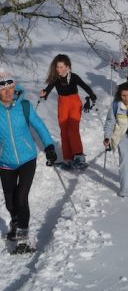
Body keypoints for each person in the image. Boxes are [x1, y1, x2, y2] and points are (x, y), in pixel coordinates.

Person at [0, 69, 57, 253]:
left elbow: (38, 125)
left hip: (27, 159)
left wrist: (49, 145)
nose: (8, 92)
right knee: (10, 201)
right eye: (3, 89)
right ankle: (15, 223)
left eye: (11, 87)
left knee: (21, 198)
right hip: (5, 161)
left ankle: (23, 239)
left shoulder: (24, 105)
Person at [40, 54, 97, 169]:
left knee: (73, 129)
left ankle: (79, 155)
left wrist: (92, 95)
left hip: (74, 103)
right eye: (57, 67)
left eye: (61, 67)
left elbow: (85, 86)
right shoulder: (56, 79)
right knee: (64, 130)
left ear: (67, 67)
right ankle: (68, 158)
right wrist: (44, 93)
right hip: (62, 104)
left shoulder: (74, 77)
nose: (58, 69)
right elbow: (48, 89)